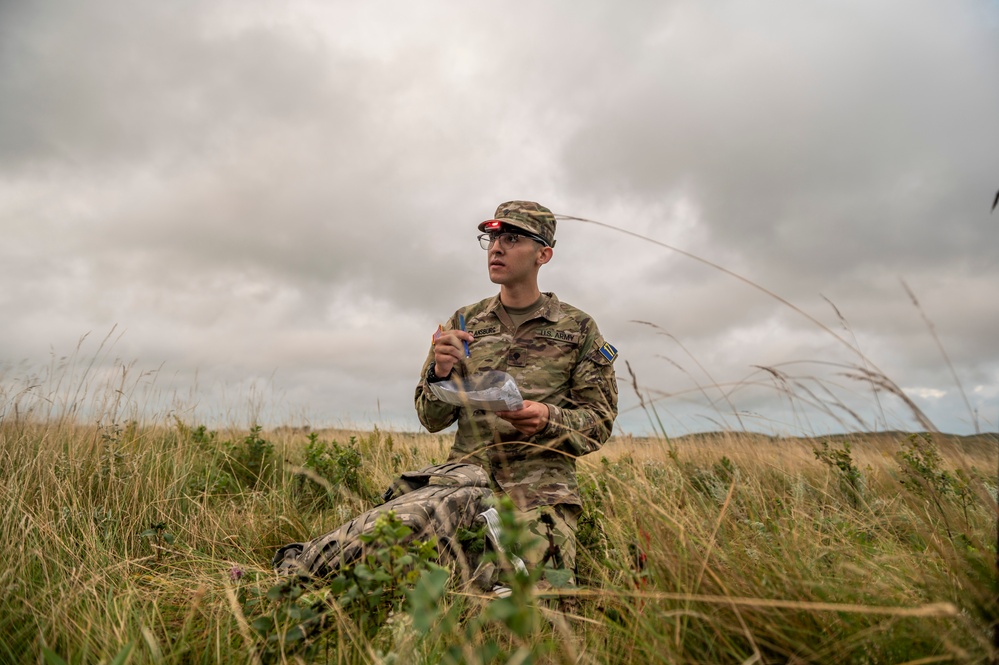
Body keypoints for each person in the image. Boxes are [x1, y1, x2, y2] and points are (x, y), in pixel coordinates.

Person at [414, 200, 618, 583]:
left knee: (540, 615)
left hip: (541, 497)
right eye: (491, 239)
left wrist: (547, 419)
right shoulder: (464, 322)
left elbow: (600, 423)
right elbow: (430, 418)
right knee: (456, 608)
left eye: (511, 238)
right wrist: (440, 372)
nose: (496, 248)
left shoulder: (577, 328)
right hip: (464, 490)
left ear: (544, 254)